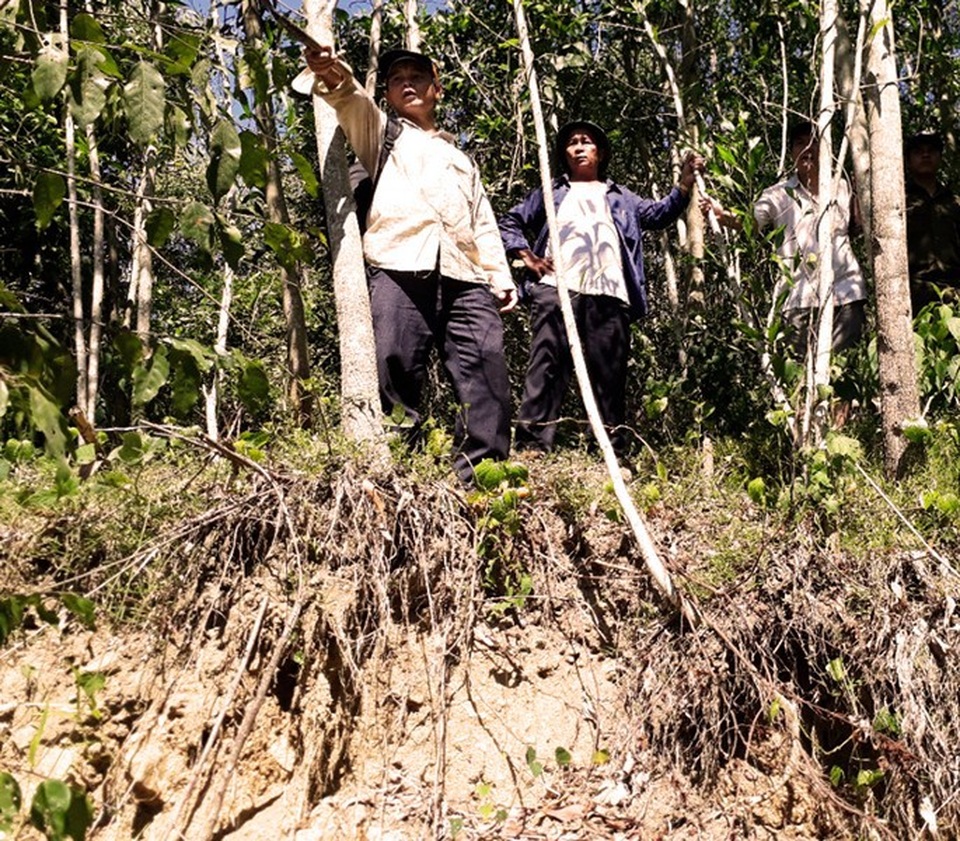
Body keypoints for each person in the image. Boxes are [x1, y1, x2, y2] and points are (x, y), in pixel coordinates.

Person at [293, 46, 518, 484]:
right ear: (390, 93)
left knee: (487, 369)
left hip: (466, 276)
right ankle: (399, 474)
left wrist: (499, 274)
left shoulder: (461, 158)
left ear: (437, 88)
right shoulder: (381, 132)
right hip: (398, 263)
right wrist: (331, 71)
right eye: (398, 79)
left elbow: (483, 221)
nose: (408, 83)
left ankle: (482, 478)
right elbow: (351, 98)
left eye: (418, 76)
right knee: (393, 369)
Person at [498, 120, 704, 455]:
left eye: (587, 142)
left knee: (609, 377)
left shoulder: (621, 196)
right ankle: (532, 447)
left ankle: (612, 453)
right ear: (564, 154)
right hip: (556, 288)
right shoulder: (552, 193)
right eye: (572, 143)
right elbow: (510, 221)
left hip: (609, 295)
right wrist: (528, 257)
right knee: (546, 367)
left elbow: (657, 214)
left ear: (601, 152)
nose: (579, 147)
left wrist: (683, 185)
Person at [702, 121, 867, 357]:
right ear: (791, 153)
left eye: (813, 142)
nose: (807, 148)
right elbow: (750, 224)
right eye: (800, 143)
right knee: (802, 373)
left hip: (846, 294)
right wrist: (722, 215)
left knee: (845, 370)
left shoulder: (843, 186)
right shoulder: (777, 195)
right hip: (799, 298)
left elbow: (860, 228)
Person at [904, 131, 960, 315]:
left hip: (954, 288)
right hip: (913, 290)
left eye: (931, 151)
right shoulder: (899, 201)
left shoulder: (954, 201)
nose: (926, 155)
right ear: (908, 160)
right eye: (919, 151)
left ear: (940, 158)